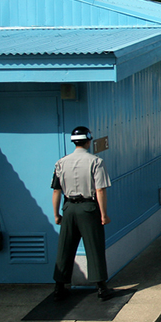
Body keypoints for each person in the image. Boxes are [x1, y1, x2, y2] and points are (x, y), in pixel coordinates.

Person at [51, 126, 115, 301]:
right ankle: (101, 287)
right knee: (94, 247)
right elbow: (100, 190)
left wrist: (57, 214)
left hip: (69, 208)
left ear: (73, 141)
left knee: (65, 247)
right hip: (88, 207)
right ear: (89, 141)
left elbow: (56, 191)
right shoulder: (96, 162)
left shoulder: (61, 162)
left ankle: (59, 286)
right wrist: (103, 214)